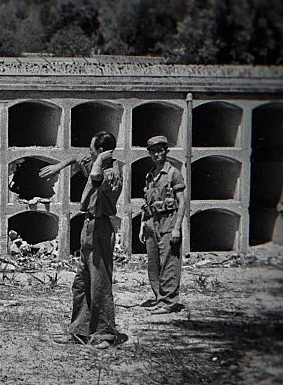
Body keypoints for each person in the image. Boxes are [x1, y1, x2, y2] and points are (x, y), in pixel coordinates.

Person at [40, 132, 125, 348]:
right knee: (81, 283)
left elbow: (96, 176)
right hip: (89, 226)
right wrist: (59, 166)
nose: (89, 153)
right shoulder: (96, 161)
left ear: (103, 152)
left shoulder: (111, 172)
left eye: (92, 150)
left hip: (101, 227)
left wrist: (99, 160)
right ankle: (79, 331)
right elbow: (79, 158)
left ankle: (105, 334)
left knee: (100, 283)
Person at [138, 135, 186, 315]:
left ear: (166, 151)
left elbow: (182, 202)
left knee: (169, 262)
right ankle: (160, 298)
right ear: (149, 153)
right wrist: (143, 224)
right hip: (152, 222)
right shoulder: (150, 175)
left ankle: (170, 301)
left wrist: (177, 228)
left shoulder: (173, 173)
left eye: (160, 150)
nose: (157, 154)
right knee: (154, 263)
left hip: (168, 221)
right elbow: (147, 203)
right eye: (153, 151)